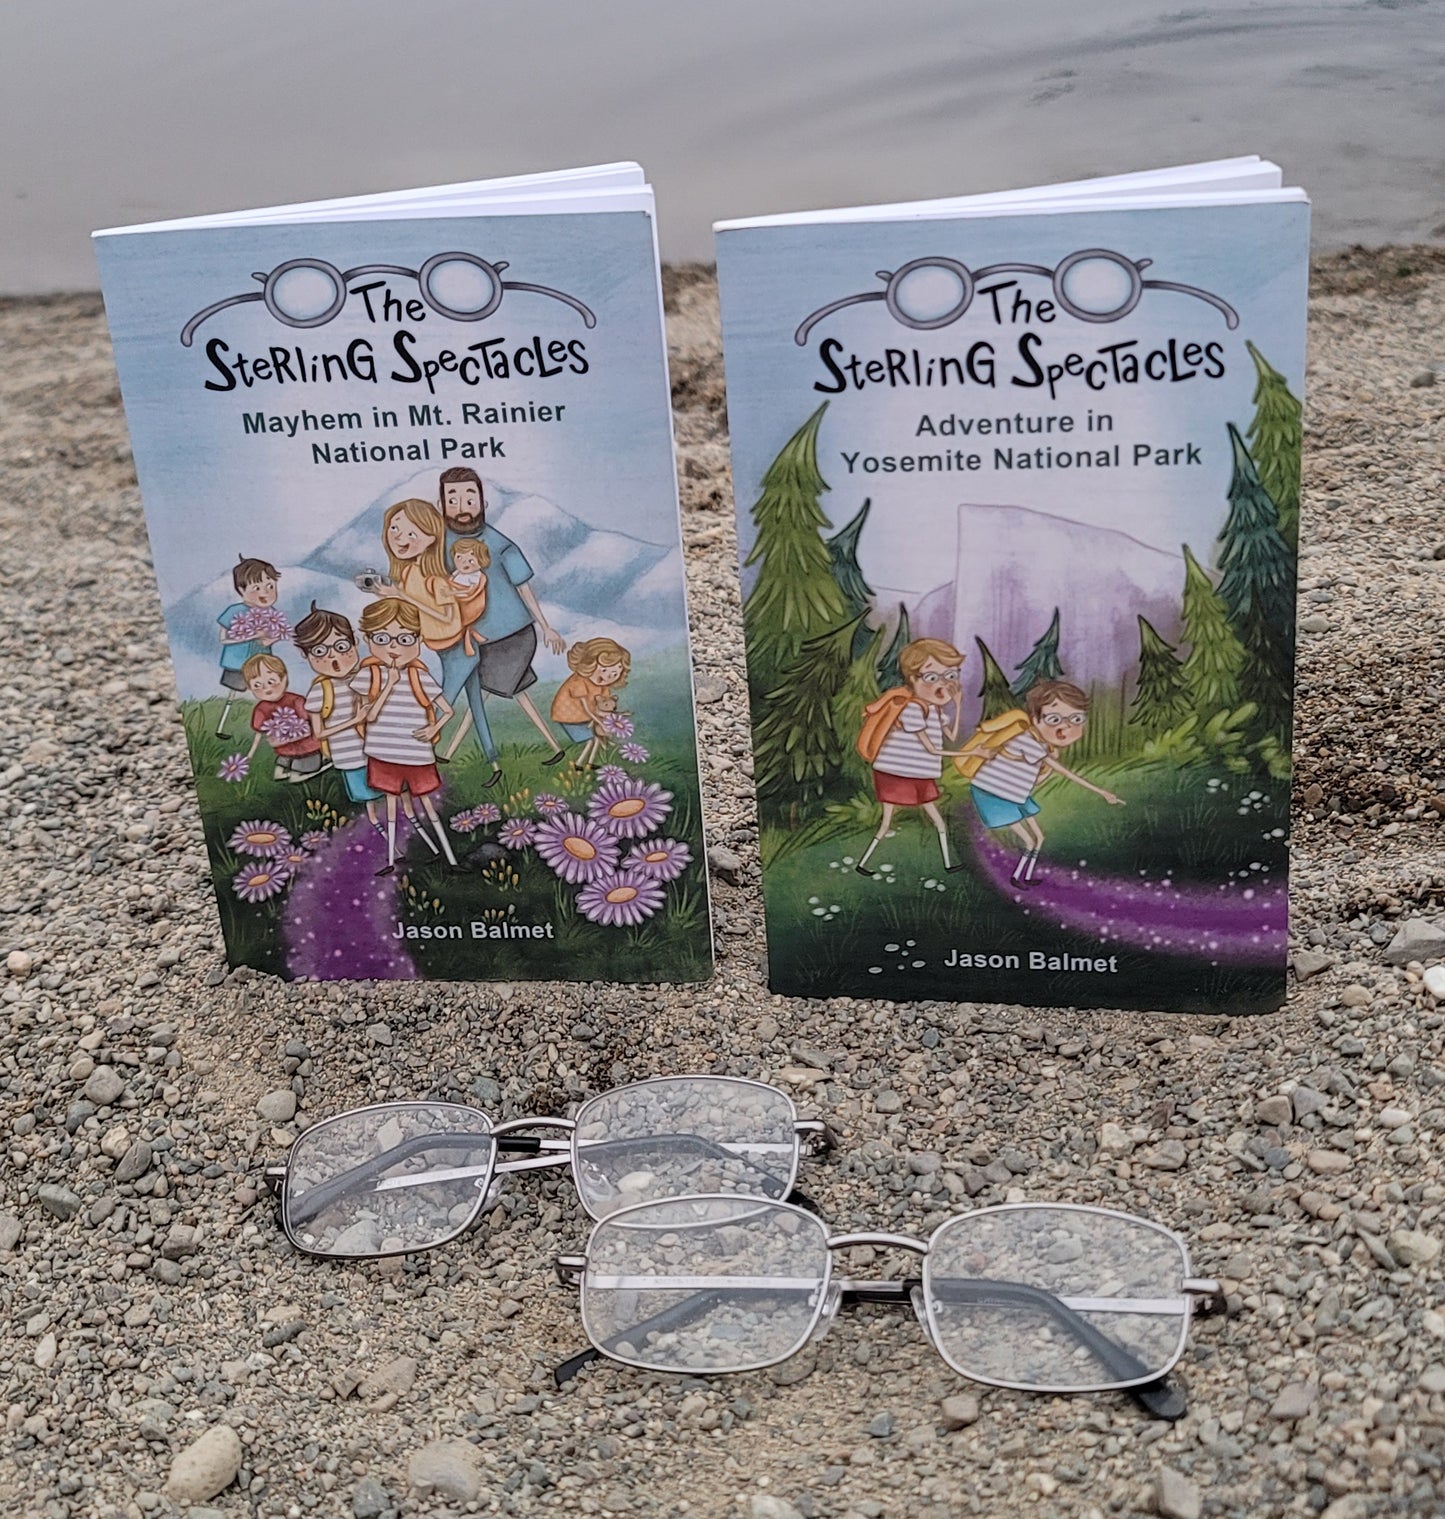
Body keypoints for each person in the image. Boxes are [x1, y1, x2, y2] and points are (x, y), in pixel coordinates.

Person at [435, 467, 566, 768]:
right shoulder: (437, 545)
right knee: (513, 693)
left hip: (512, 636)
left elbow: (523, 586)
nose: (462, 507)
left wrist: (546, 627)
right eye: (453, 500)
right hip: (468, 638)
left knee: (481, 693)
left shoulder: (500, 544)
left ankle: (450, 752)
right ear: (441, 505)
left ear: (483, 503)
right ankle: (553, 746)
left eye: (470, 499)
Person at [959, 678, 1125, 888]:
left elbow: (1035, 778)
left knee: (1039, 838)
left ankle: (1027, 875)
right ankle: (1017, 877)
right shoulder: (1027, 741)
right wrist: (1101, 792)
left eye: (1076, 718)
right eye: (1054, 719)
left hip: (1014, 795)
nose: (1065, 726)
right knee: (1029, 841)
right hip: (994, 794)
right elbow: (1064, 772)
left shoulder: (1040, 745)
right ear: (1035, 719)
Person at [352, 598, 457, 877]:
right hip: (382, 753)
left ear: (418, 639)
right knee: (390, 806)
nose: (394, 647)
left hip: (417, 754)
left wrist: (434, 728)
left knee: (427, 806)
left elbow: (448, 710)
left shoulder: (419, 676)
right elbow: (369, 715)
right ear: (368, 639)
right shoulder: (369, 674)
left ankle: (450, 859)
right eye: (382, 638)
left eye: (405, 639)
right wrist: (388, 685)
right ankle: (391, 860)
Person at [855, 638, 967, 877]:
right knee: (887, 823)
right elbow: (932, 750)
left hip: (920, 774)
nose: (944, 684)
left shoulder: (934, 709)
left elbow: (952, 736)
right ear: (913, 679)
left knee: (938, 821)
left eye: (950, 675)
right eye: (932, 677)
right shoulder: (913, 709)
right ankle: (863, 863)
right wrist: (972, 753)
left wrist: (957, 706)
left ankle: (949, 864)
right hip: (894, 773)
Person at [296, 603, 382, 830]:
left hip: (383, 751)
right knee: (371, 806)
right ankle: (386, 841)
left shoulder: (368, 676)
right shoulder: (319, 691)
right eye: (320, 651)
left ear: (355, 642)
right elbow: (319, 733)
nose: (334, 657)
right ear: (305, 654)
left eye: (341, 646)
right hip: (351, 756)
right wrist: (354, 720)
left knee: (396, 797)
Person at [216, 555, 280, 738]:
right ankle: (223, 728)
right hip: (237, 662)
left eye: (270, 586)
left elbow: (273, 636)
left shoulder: (272, 613)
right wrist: (252, 635)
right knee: (233, 694)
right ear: (241, 590)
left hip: (262, 663)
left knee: (266, 694)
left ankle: (266, 731)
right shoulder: (234, 611)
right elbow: (223, 639)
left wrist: (269, 640)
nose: (265, 592)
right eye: (256, 588)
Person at [240, 653, 326, 784]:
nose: (266, 688)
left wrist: (281, 740)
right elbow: (261, 734)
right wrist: (250, 755)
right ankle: (295, 771)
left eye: (271, 682)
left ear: (284, 679)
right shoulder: (260, 709)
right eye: (257, 685)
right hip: (284, 752)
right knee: (282, 769)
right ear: (249, 688)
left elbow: (307, 730)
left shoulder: (297, 701)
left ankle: (309, 769)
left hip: (307, 749)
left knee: (299, 771)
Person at [550, 637, 631, 767]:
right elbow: (586, 708)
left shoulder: (603, 687)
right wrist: (601, 722)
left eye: (615, 673)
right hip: (570, 717)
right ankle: (579, 764)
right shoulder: (579, 682)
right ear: (588, 665)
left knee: (597, 738)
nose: (609, 676)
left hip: (586, 717)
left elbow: (603, 706)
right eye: (604, 670)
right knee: (591, 739)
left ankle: (590, 763)